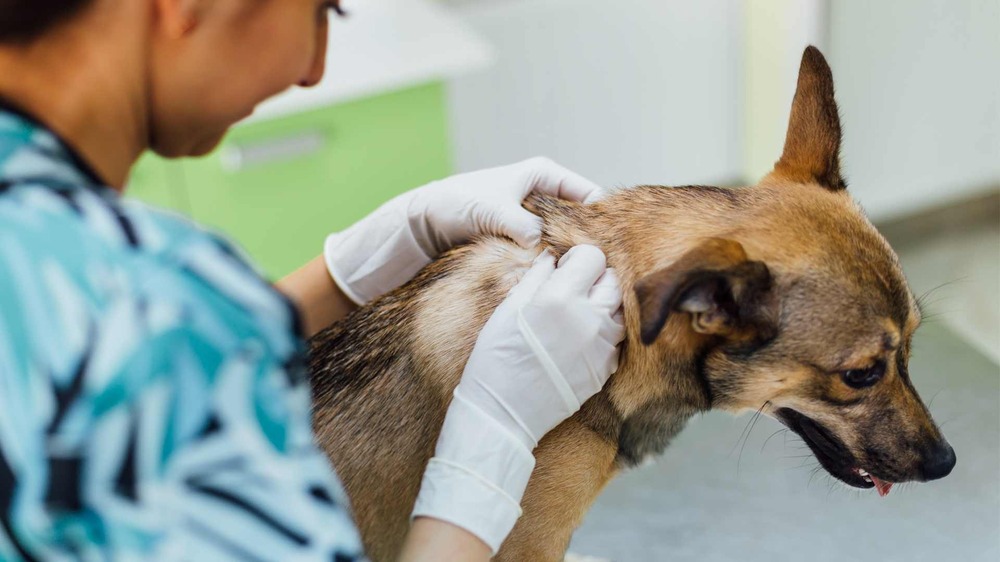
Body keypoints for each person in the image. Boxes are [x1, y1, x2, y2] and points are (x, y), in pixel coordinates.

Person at [0, 1, 625, 560]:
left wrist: (348, 271)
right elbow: (149, 336)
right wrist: (491, 441)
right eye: (322, 11)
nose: (313, 68)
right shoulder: (156, 299)